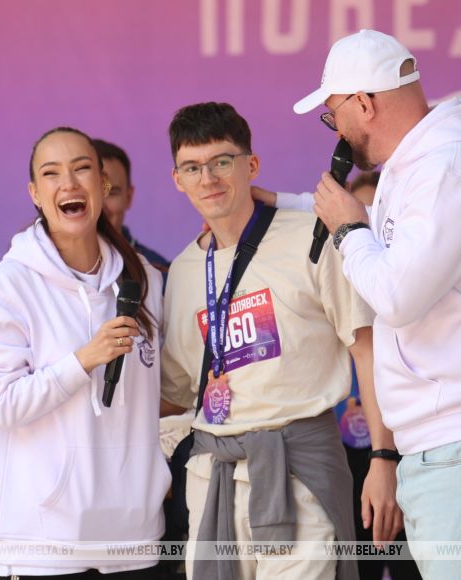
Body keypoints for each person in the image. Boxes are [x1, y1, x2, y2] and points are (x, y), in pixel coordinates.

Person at [295, 29, 461, 578]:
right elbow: (387, 239)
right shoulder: (419, 168)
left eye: (333, 114)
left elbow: (396, 294)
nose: (335, 130)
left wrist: (347, 230)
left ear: (364, 103)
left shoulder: (448, 168)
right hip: (455, 450)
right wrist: (280, 205)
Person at [160, 102, 401, 580]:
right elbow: (178, 392)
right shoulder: (184, 271)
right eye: (192, 167)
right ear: (178, 180)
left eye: (222, 161)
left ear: (251, 165)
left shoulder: (311, 239)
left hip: (299, 470)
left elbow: (366, 349)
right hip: (213, 478)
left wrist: (383, 457)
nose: (208, 178)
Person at [0, 127, 171, 578]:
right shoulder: (4, 288)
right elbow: (2, 404)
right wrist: (83, 360)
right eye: (51, 173)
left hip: (135, 540)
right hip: (46, 546)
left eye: (81, 169)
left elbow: (166, 390)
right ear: (35, 194)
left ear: (103, 184)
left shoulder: (146, 281)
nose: (69, 183)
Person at [253, 171, 421, 580]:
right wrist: (273, 199)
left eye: (373, 224)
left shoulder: (412, 300)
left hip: (406, 454)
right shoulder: (325, 291)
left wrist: (387, 458)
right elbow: (313, 210)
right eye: (353, 223)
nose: (364, 237)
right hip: (344, 459)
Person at [92, 138, 171, 273]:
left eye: (111, 193)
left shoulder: (159, 272)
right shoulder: (51, 267)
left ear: (128, 197)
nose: (100, 206)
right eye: (92, 192)